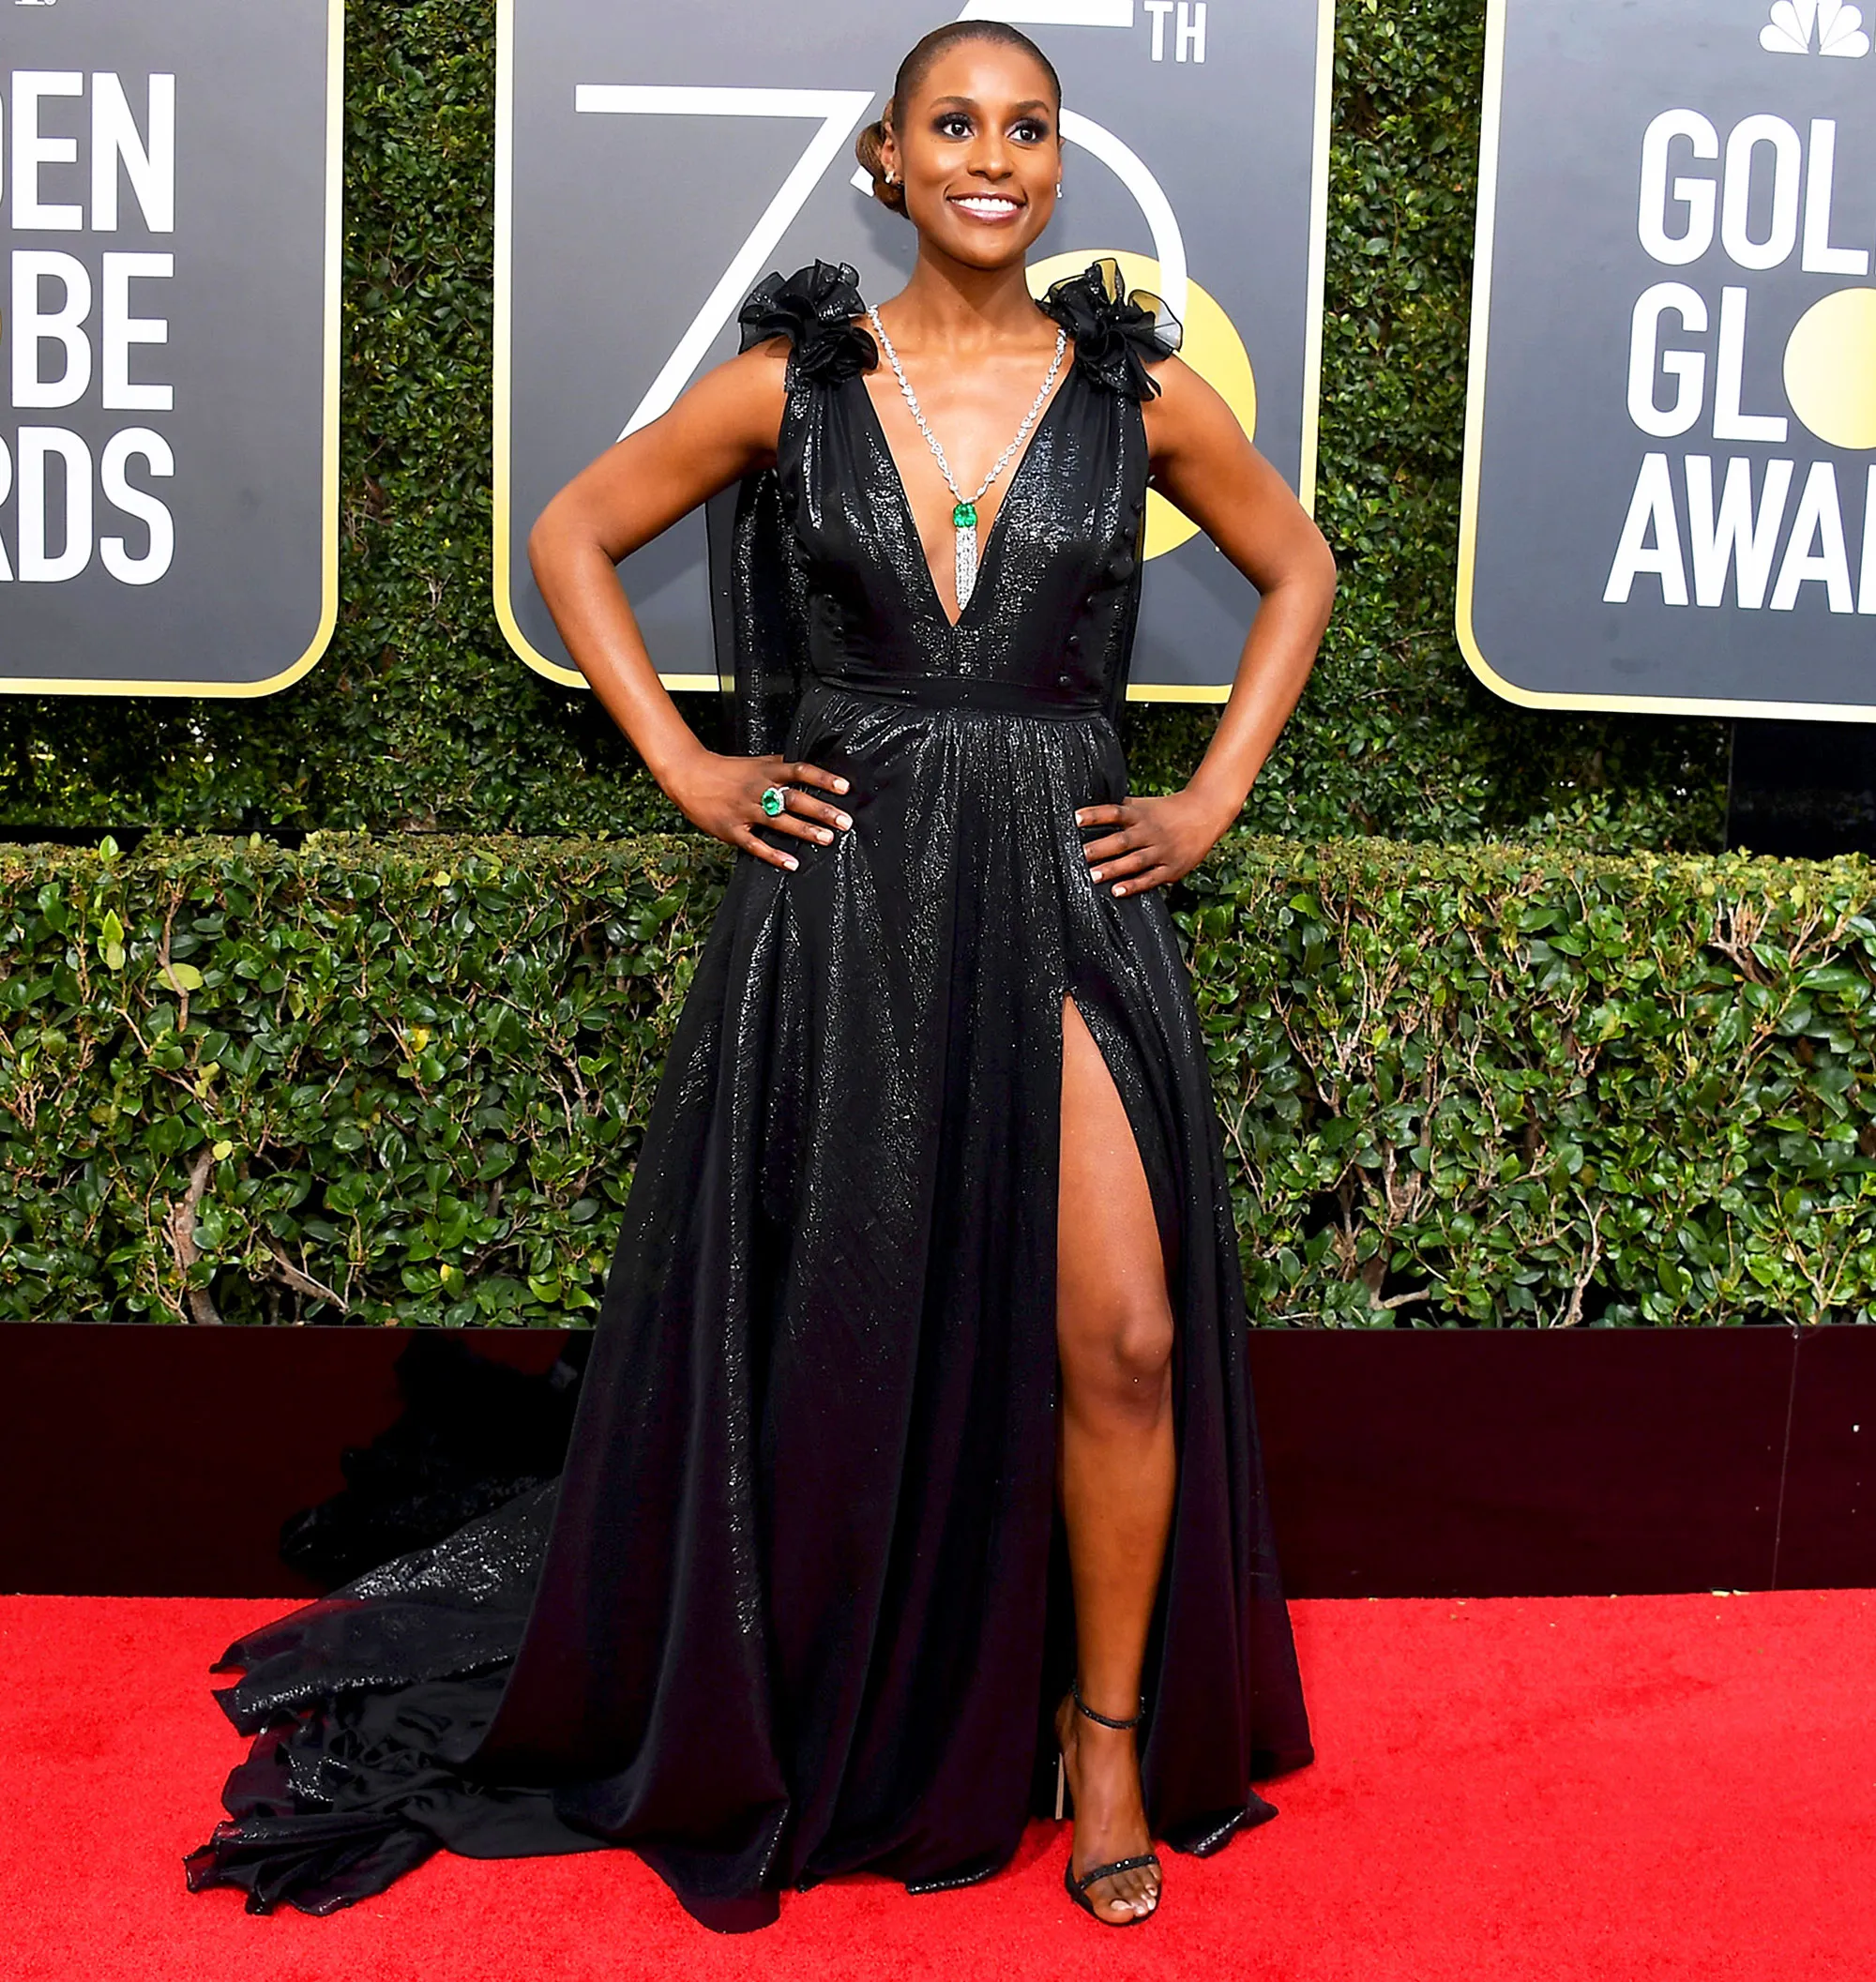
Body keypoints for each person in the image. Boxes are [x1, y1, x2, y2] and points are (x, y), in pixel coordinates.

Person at [185, 19, 1335, 1935]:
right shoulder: (790, 383)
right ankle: (859, 1691)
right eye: (952, 124)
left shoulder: (1134, 391)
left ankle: (1111, 1731)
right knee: (858, 1340)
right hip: (855, 913)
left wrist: (1208, 797)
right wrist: (690, 764)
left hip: (1067, 896)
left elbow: (1298, 567)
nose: (992, 157)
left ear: (1059, 165)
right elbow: (573, 532)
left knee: (1125, 1338)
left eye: (1027, 128)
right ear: (888, 160)